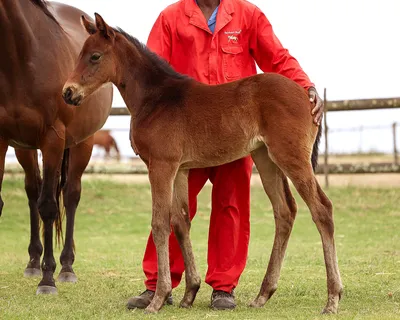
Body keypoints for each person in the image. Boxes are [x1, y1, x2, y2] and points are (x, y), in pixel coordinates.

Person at [127, 0, 324, 310]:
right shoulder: (171, 18)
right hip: (185, 128)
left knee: (231, 205)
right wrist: (144, 121)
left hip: (234, 127)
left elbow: (277, 57)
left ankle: (223, 286)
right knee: (172, 207)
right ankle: (157, 284)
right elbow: (146, 71)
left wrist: (305, 85)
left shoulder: (248, 15)